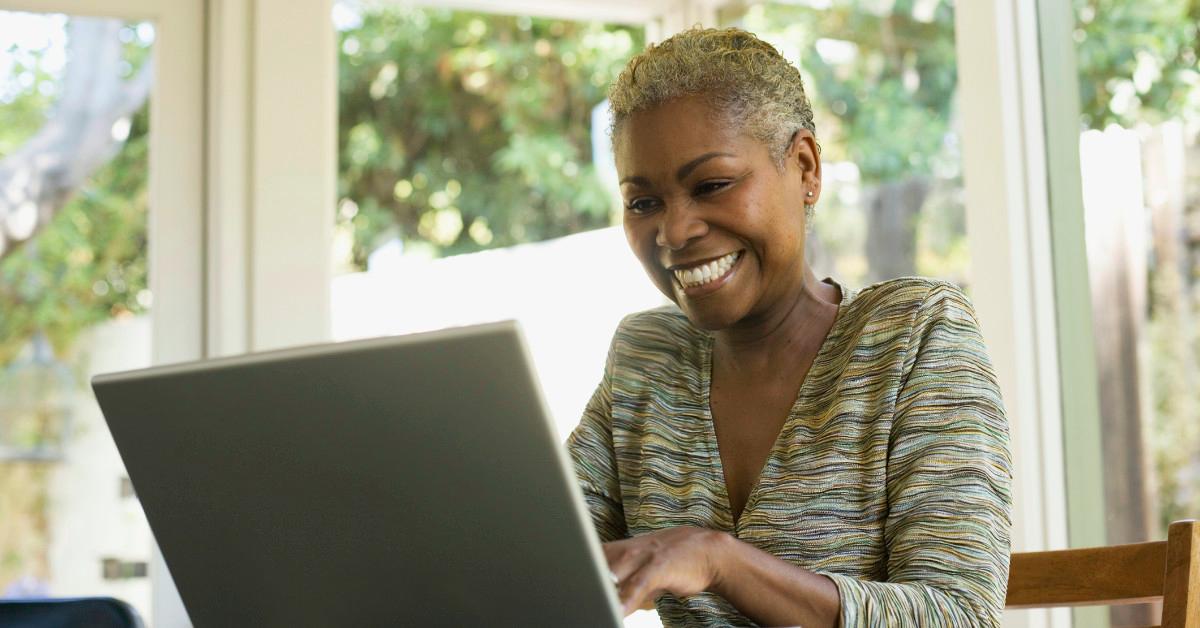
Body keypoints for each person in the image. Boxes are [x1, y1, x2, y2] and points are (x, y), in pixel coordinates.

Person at [567, 27, 1012, 627]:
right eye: (643, 203)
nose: (673, 233)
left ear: (804, 167)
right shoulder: (648, 356)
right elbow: (538, 559)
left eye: (712, 186)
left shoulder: (912, 337)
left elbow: (959, 616)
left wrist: (720, 560)